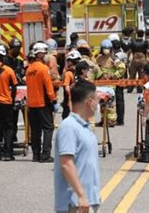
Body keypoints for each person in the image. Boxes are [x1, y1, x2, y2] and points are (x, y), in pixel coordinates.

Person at [54, 80, 100, 213]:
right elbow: (66, 163)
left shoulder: (85, 127)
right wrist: (81, 195)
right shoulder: (69, 127)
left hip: (88, 201)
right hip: (75, 204)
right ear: (89, 101)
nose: (98, 104)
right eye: (96, 100)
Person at [26, 42, 59, 163]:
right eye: (44, 53)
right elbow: (48, 86)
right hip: (43, 103)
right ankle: (45, 155)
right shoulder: (44, 68)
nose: (46, 55)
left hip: (31, 103)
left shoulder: (29, 69)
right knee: (48, 128)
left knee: (35, 130)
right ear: (40, 54)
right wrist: (54, 100)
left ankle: (36, 155)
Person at [4, 38, 26, 143]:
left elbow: (22, 76)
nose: (17, 51)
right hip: (5, 93)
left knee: (15, 117)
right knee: (6, 119)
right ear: (10, 48)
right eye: (15, 49)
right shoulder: (4, 62)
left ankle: (13, 137)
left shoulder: (19, 62)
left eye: (18, 49)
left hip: (16, 94)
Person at [62, 51, 81, 120]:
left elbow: (66, 87)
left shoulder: (68, 73)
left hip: (69, 102)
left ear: (70, 62)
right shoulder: (81, 72)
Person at [110, 52, 127, 126]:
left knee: (119, 102)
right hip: (116, 85)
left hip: (119, 85)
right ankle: (118, 119)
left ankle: (120, 120)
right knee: (117, 102)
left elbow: (116, 75)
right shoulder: (119, 64)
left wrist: (111, 76)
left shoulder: (121, 65)